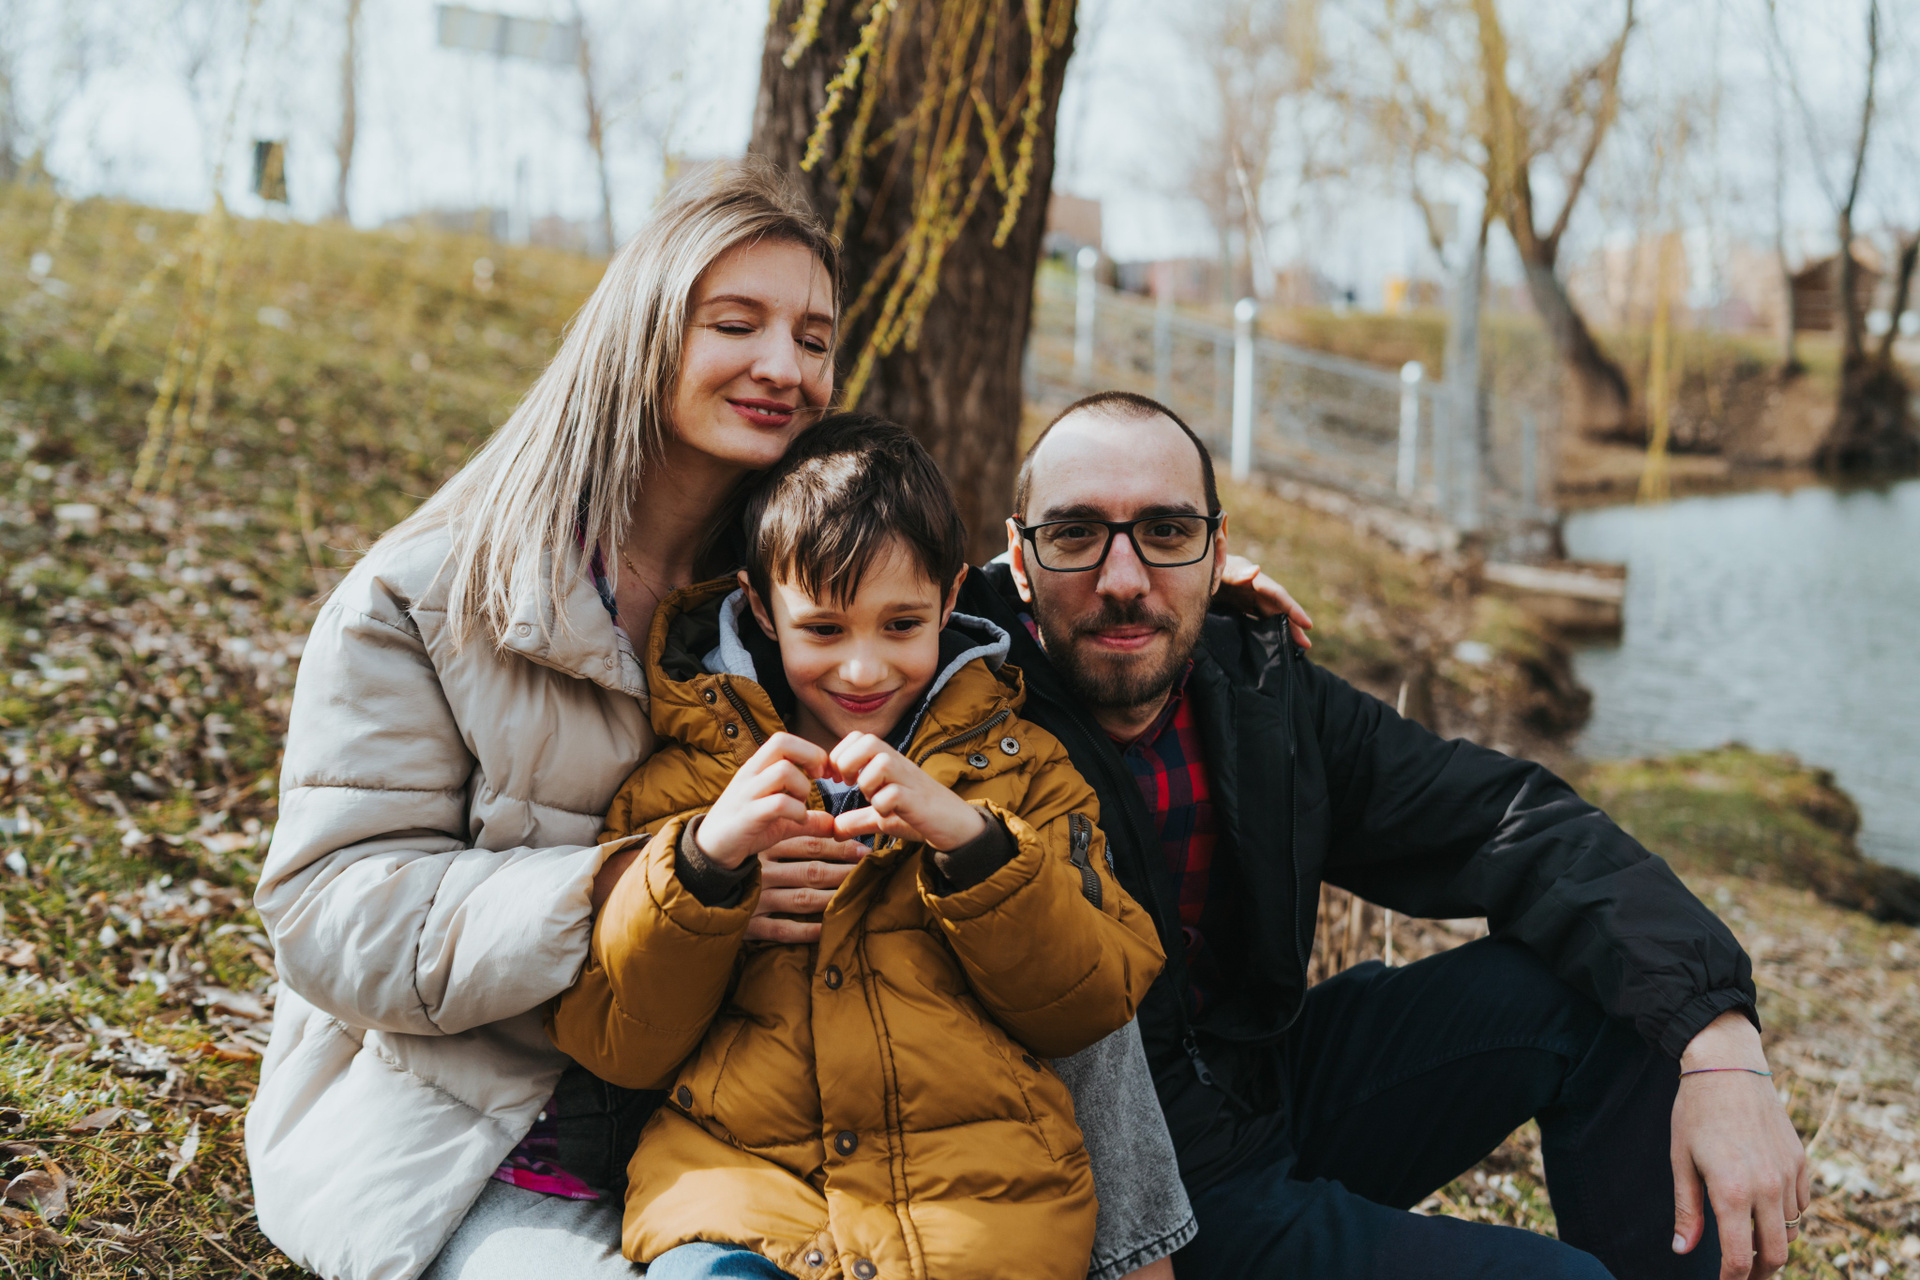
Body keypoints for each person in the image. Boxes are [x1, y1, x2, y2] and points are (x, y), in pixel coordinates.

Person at [246, 166, 1204, 1280]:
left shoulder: (792, 577)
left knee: (1021, 861)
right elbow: (326, 912)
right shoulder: (427, 596)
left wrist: (1193, 581)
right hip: (494, 1132)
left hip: (761, 1121)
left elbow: (942, 598)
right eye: (737, 324)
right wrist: (635, 882)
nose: (785, 366)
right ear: (644, 333)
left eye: (814, 337)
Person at [928, 389, 1809, 1280]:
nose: (1123, 579)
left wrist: (1721, 1039)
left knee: (1619, 985)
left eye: (1165, 532)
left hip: (1267, 1098)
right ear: (1020, 558)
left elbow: (1510, 821)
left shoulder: (1257, 691)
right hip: (1126, 1200)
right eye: (1076, 534)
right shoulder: (949, 714)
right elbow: (846, 618)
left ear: (1217, 551)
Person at [547, 414, 1164, 1280]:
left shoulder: (1022, 771)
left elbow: (1092, 1001)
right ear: (761, 609)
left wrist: (974, 846)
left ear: (950, 598)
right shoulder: (691, 781)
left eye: (902, 624)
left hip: (979, 1222)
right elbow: (617, 1039)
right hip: (740, 1206)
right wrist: (703, 869)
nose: (864, 670)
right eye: (825, 630)